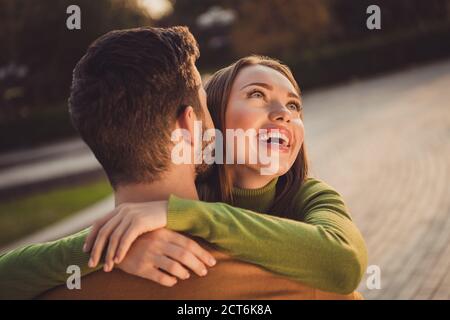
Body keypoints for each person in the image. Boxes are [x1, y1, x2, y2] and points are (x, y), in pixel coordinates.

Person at [0, 26, 367, 300]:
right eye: (257, 95)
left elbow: (344, 263)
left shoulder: (310, 197)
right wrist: (116, 246)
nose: (284, 114)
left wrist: (180, 214)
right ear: (206, 125)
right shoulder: (307, 290)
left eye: (294, 105)